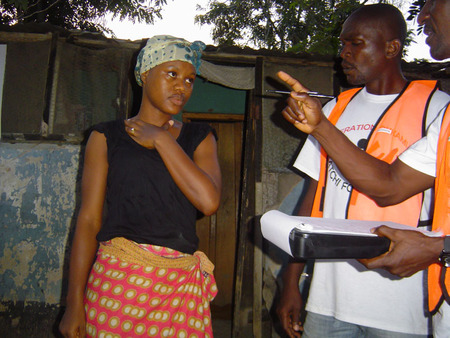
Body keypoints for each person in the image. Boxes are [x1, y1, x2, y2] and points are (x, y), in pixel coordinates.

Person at [276, 3, 450, 338]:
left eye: (355, 44)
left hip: (403, 304)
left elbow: (390, 187)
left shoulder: (436, 108)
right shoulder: (335, 109)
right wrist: (291, 279)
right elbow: (311, 201)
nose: (344, 53)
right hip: (330, 296)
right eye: (342, 45)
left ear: (391, 48)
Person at [58, 35, 222, 338]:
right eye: (171, 74)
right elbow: (89, 220)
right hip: (117, 285)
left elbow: (208, 202)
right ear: (145, 74)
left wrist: (161, 139)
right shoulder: (106, 136)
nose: (181, 86)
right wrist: (73, 302)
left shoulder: (200, 137)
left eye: (189, 79)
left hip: (180, 289)